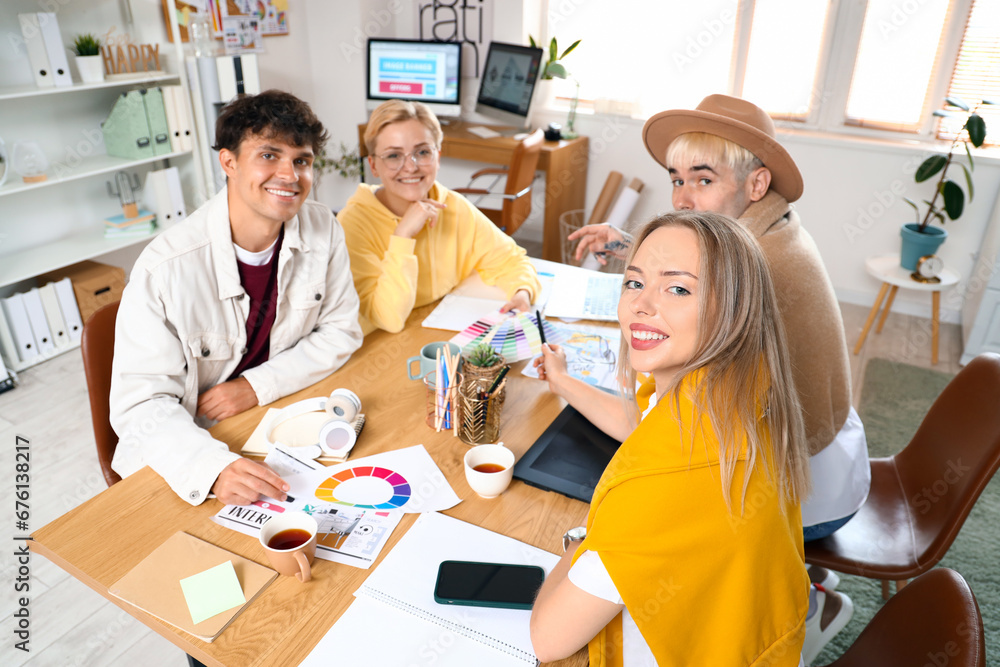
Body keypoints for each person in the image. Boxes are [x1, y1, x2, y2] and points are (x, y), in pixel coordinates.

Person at [564, 94, 868, 661]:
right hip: (831, 445)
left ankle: (797, 603)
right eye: (676, 179)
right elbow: (709, 265)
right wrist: (639, 251)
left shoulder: (761, 272)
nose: (682, 197)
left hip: (809, 486)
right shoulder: (772, 230)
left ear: (756, 184)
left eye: (702, 180)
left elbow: (663, 428)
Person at [531, 211, 811, 666]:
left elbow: (547, 639)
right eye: (635, 283)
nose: (641, 305)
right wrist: (563, 383)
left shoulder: (661, 487)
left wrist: (587, 540)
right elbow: (644, 426)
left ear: (732, 311)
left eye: (678, 288)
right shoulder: (738, 388)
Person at [110, 90, 363, 507]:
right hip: (189, 447)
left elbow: (340, 330)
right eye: (269, 155)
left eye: (301, 160)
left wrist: (254, 387)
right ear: (229, 162)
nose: (289, 174)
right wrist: (210, 467)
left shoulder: (323, 228)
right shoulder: (165, 267)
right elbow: (140, 406)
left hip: (271, 413)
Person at [337, 100, 541, 334]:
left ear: (438, 157)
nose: (410, 167)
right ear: (373, 165)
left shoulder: (453, 206)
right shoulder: (352, 225)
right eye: (394, 156)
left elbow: (510, 258)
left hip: (437, 329)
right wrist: (402, 236)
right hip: (382, 345)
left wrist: (522, 292)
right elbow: (388, 319)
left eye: (422, 152)